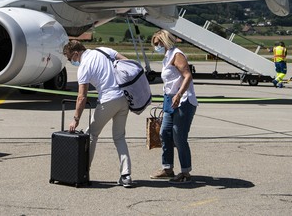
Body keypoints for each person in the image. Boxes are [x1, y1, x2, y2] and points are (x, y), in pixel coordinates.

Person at [63, 40, 133, 188]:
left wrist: (75, 119)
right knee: (119, 137)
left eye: (70, 59)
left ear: (76, 54)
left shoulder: (84, 67)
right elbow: (127, 61)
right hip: (123, 98)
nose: (71, 62)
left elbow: (82, 97)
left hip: (108, 100)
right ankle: (126, 175)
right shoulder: (103, 50)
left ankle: (83, 171)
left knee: (91, 134)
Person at [149, 29, 198, 184]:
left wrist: (178, 94)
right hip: (170, 100)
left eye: (158, 43)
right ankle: (167, 168)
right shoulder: (167, 56)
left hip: (183, 100)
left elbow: (187, 76)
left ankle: (185, 172)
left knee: (179, 136)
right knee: (164, 132)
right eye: (155, 44)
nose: (156, 46)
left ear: (165, 41)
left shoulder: (177, 54)